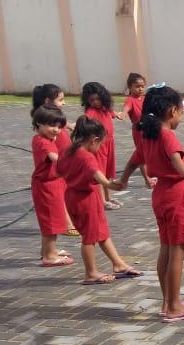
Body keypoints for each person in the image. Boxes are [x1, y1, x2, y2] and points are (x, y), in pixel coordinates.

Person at [139, 85, 184, 321]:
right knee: (178, 250)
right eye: (180, 112)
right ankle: (175, 306)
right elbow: (176, 158)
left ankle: (167, 301)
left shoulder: (148, 134)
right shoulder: (167, 135)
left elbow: (137, 158)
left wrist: (124, 177)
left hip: (160, 194)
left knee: (166, 247)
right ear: (172, 111)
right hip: (176, 194)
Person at [56, 116, 143, 285]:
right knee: (90, 237)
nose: (101, 147)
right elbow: (97, 174)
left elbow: (58, 171)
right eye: (101, 143)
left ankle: (118, 264)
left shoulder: (67, 151)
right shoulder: (86, 156)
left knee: (101, 231)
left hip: (72, 196)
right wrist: (111, 185)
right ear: (94, 140)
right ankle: (91, 272)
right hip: (85, 199)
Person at [32, 83, 77, 236]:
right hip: (57, 167)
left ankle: (69, 220)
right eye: (60, 100)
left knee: (65, 189)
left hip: (64, 162)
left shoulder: (54, 122)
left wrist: (70, 126)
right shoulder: (45, 132)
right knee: (58, 194)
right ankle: (67, 223)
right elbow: (53, 155)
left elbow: (62, 125)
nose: (63, 103)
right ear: (47, 101)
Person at [31, 104, 71, 266]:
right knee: (52, 222)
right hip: (47, 186)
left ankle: (48, 250)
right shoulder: (43, 142)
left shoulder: (43, 138)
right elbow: (54, 157)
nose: (55, 130)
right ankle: (49, 256)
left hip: (53, 183)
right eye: (51, 125)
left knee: (51, 219)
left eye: (58, 126)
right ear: (38, 124)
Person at [82, 81, 125, 208]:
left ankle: (108, 197)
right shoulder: (90, 112)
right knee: (100, 173)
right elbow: (84, 121)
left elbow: (113, 114)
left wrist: (119, 114)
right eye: (92, 100)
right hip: (99, 146)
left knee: (108, 172)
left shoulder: (105, 108)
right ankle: (101, 201)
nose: (96, 102)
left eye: (98, 99)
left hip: (109, 143)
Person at [117, 72, 155, 189]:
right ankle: (147, 179)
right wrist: (122, 114)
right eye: (137, 86)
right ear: (130, 87)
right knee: (141, 155)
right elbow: (126, 109)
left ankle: (152, 173)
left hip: (150, 129)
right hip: (139, 131)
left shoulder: (145, 98)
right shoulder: (130, 100)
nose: (140, 88)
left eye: (142, 86)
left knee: (150, 152)